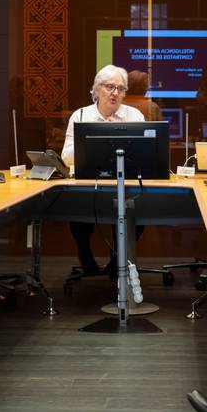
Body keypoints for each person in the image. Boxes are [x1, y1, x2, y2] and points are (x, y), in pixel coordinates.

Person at [62, 65, 145, 275]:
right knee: (76, 208)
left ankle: (117, 259)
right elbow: (66, 157)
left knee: (136, 211)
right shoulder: (80, 116)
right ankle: (85, 255)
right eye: (110, 87)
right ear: (97, 89)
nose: (115, 93)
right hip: (89, 186)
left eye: (121, 88)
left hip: (126, 185)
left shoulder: (134, 116)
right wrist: (99, 139)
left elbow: (146, 154)